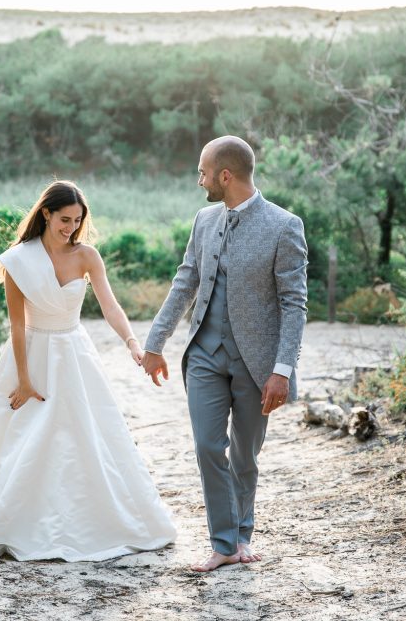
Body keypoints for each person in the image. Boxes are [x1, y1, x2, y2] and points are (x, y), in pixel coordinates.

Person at [0, 180, 176, 561]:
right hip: (31, 354)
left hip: (74, 355)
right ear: (46, 214)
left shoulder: (87, 256)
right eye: (64, 219)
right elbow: (17, 326)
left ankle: (83, 521)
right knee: (17, 437)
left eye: (77, 220)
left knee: (83, 436)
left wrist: (132, 343)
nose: (71, 227)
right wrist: (23, 379)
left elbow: (110, 306)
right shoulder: (19, 260)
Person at [141, 136, 308, 572]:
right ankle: (223, 542)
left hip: (258, 365)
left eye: (203, 172)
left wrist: (282, 370)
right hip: (204, 354)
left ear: (226, 176)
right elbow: (185, 282)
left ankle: (241, 536)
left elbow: (294, 304)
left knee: (244, 455)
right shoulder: (203, 220)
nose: (200, 180)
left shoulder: (284, 226)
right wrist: (155, 343)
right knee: (206, 446)